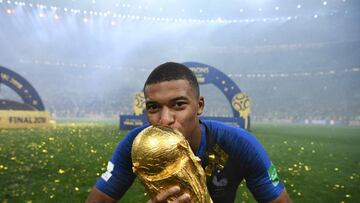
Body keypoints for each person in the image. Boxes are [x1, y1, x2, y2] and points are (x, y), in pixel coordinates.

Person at [86, 62, 292, 203]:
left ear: (199, 106)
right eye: (153, 107)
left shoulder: (240, 144)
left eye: (178, 104)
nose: (165, 119)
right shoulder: (135, 146)